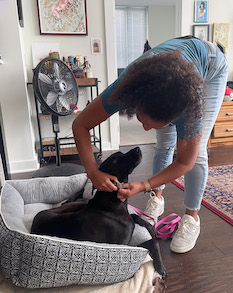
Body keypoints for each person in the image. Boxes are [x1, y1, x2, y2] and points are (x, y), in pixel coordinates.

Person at [72, 36, 228, 254]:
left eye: (152, 124)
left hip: (212, 65)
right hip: (169, 68)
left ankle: (191, 218)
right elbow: (80, 124)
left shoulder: (189, 110)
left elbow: (185, 162)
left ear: (176, 117)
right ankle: (157, 198)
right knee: (163, 145)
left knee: (197, 152)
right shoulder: (127, 86)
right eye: (141, 119)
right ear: (135, 101)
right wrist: (92, 171)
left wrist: (142, 185)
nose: (145, 129)